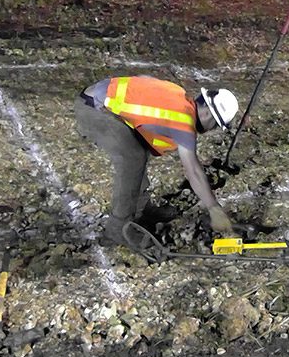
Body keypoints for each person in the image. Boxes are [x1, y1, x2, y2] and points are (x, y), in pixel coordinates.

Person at [75, 75, 240, 247]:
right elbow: (193, 171)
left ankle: (140, 208)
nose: (211, 130)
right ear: (207, 113)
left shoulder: (178, 94)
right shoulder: (182, 121)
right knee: (133, 158)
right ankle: (117, 230)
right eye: (215, 124)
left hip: (103, 102)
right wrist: (214, 208)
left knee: (139, 148)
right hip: (93, 109)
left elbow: (143, 81)